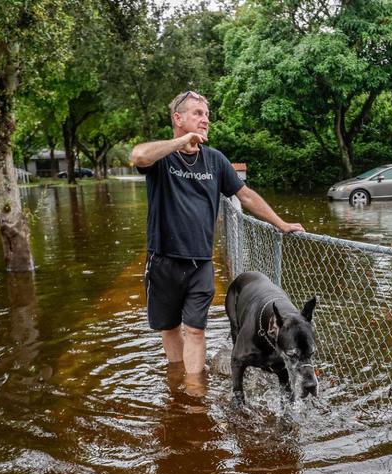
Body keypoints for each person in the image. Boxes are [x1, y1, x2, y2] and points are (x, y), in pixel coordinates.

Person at [130, 90, 304, 376]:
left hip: (200, 262)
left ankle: (195, 392)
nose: (205, 120)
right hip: (163, 260)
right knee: (169, 328)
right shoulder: (163, 159)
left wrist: (280, 223)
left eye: (207, 115)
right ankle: (178, 386)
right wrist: (180, 142)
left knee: (196, 331)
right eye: (197, 114)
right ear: (178, 118)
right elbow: (138, 155)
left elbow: (245, 196)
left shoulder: (215, 161)